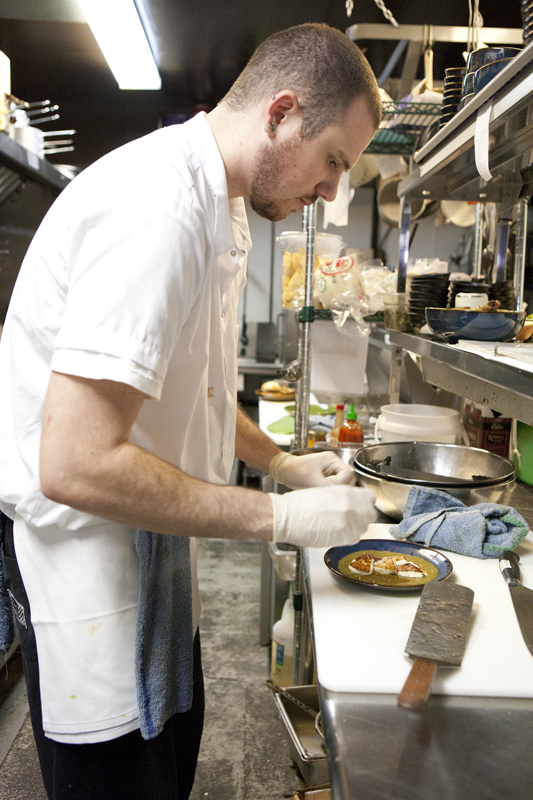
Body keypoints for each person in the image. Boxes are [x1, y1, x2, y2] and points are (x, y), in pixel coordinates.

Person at [0, 22, 381, 800]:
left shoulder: (223, 205)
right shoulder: (157, 209)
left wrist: (278, 462)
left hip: (158, 549)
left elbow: (193, 381)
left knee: (171, 764)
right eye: (333, 162)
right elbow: (73, 464)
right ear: (280, 113)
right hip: (91, 558)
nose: (329, 191)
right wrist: (275, 517)